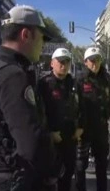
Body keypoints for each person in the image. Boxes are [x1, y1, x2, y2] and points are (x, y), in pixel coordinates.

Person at [0, 5, 56, 191]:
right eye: (42, 38)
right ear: (26, 34)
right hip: (13, 178)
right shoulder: (13, 76)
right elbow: (30, 144)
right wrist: (54, 169)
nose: (42, 45)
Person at [36, 48, 82, 191]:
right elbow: (37, 112)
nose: (64, 64)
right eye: (60, 61)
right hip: (51, 139)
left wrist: (80, 127)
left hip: (70, 137)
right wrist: (49, 133)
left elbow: (82, 107)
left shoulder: (74, 83)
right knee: (48, 178)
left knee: (67, 175)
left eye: (67, 61)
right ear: (52, 63)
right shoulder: (43, 84)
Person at [75, 47, 110, 191]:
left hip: (101, 129)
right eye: (92, 60)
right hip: (84, 129)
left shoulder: (106, 78)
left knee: (102, 165)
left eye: (98, 60)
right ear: (86, 62)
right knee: (80, 166)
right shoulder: (79, 79)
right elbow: (73, 105)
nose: (95, 63)